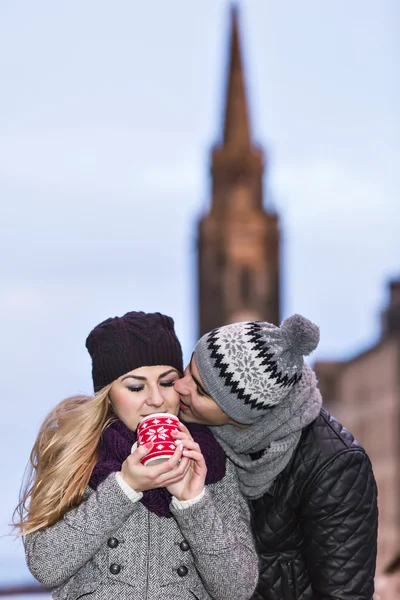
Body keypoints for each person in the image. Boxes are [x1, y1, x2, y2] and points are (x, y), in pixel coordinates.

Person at [14, 311, 258, 600]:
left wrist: (193, 502)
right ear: (108, 394)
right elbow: (45, 565)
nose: (156, 399)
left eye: (167, 382)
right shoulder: (76, 452)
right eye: (135, 387)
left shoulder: (210, 459)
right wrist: (124, 487)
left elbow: (237, 589)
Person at [175, 314, 378, 600]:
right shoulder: (186, 429)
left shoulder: (335, 465)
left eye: (200, 390)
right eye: (188, 369)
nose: (179, 387)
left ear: (244, 415)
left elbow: (344, 593)